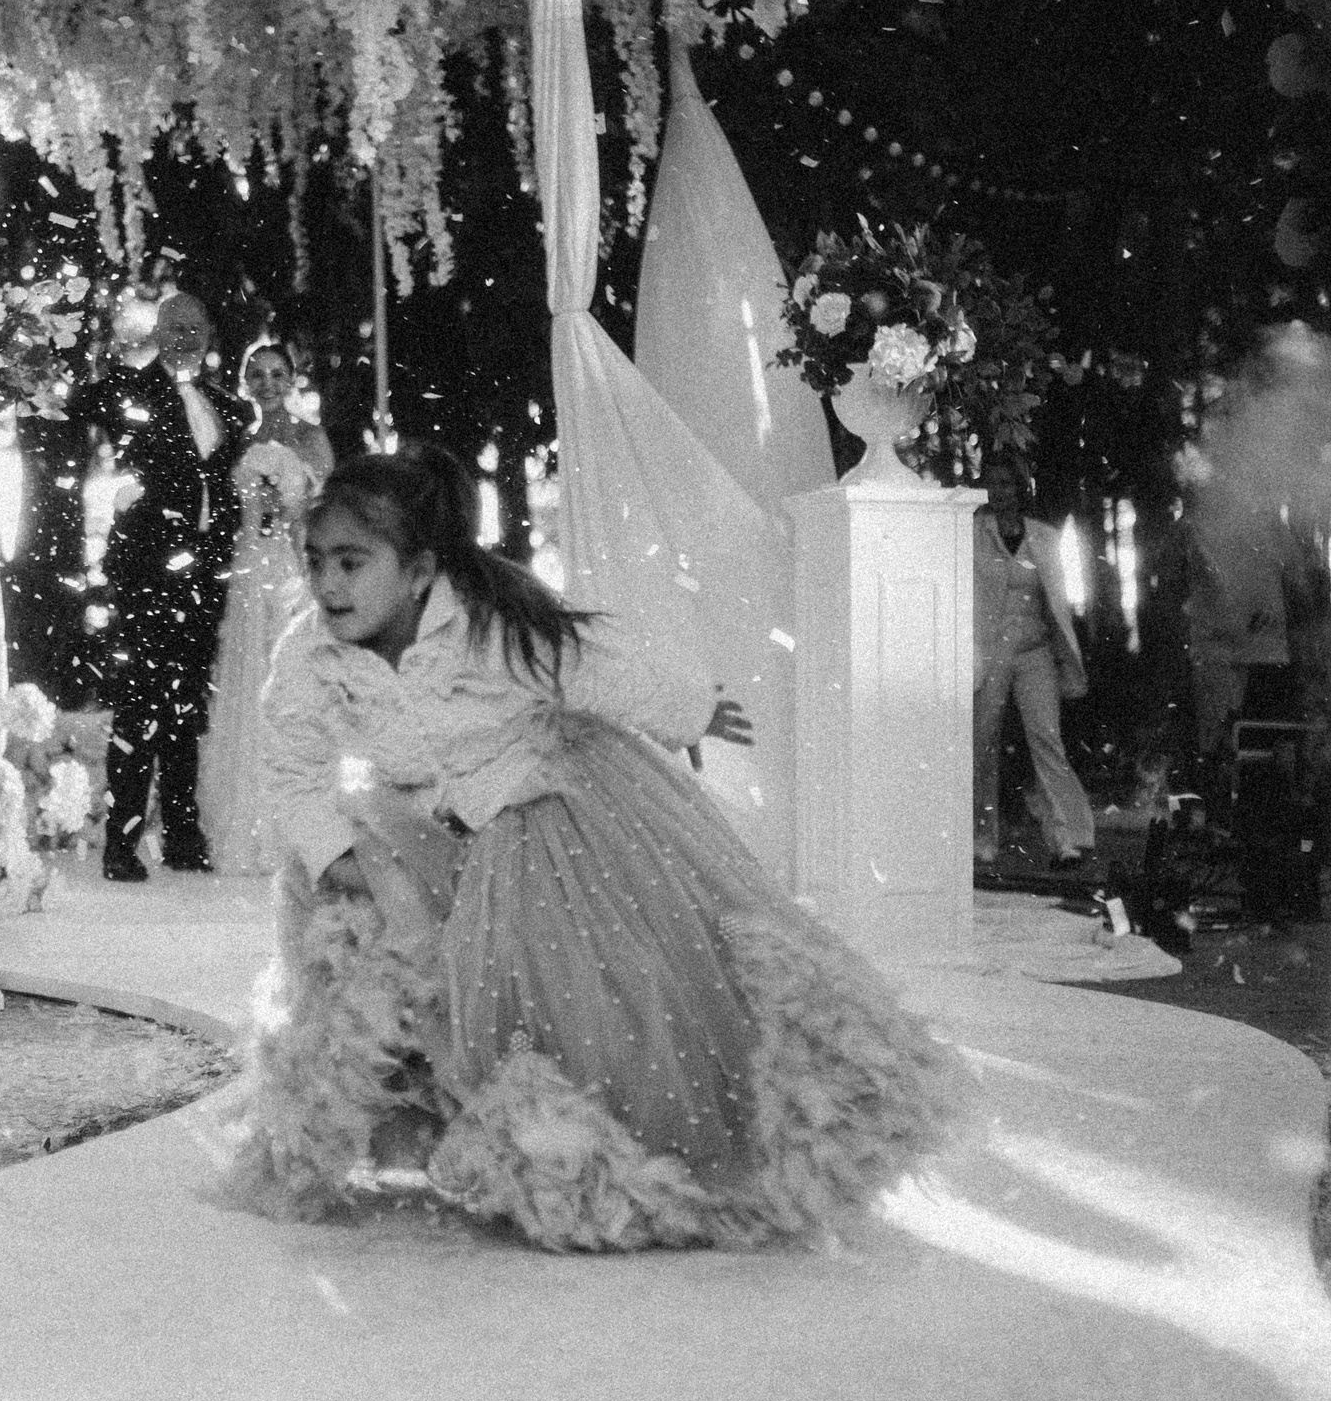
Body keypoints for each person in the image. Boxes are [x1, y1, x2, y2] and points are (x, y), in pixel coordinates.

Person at [229, 444, 962, 1254]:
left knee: (563, 976)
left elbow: (596, 666)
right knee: (365, 933)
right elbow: (291, 769)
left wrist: (688, 711)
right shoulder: (307, 653)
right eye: (317, 562)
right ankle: (422, 1109)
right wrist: (337, 856)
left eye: (352, 563)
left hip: (530, 805)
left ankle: (608, 1139)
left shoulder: (488, 622)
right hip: (421, 820)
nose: (328, 585)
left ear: (418, 570)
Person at [68, 292, 247, 882]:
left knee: (186, 705)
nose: (185, 337)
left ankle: (182, 835)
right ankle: (120, 845)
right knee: (140, 702)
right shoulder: (130, 391)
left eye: (195, 328)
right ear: (158, 333)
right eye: (174, 327)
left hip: (205, 576)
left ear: (209, 334)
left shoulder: (228, 408)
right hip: (145, 574)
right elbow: (79, 401)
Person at [199, 341, 336, 875]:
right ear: (245, 383)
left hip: (294, 568)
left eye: (278, 374)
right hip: (249, 566)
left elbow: (325, 509)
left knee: (291, 677)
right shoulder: (240, 438)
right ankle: (246, 817)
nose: (268, 384)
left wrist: (292, 511)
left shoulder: (310, 437)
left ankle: (302, 821)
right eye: (257, 374)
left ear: (293, 379)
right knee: (248, 676)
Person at [972, 455, 1094, 870]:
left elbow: (1057, 601)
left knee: (1046, 738)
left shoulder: (1043, 536)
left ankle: (1066, 838)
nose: (1000, 491)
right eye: (993, 483)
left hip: (1034, 650)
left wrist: (1063, 654)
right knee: (982, 741)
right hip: (989, 651)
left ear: (1020, 488)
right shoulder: (971, 532)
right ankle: (981, 837)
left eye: (1007, 483)